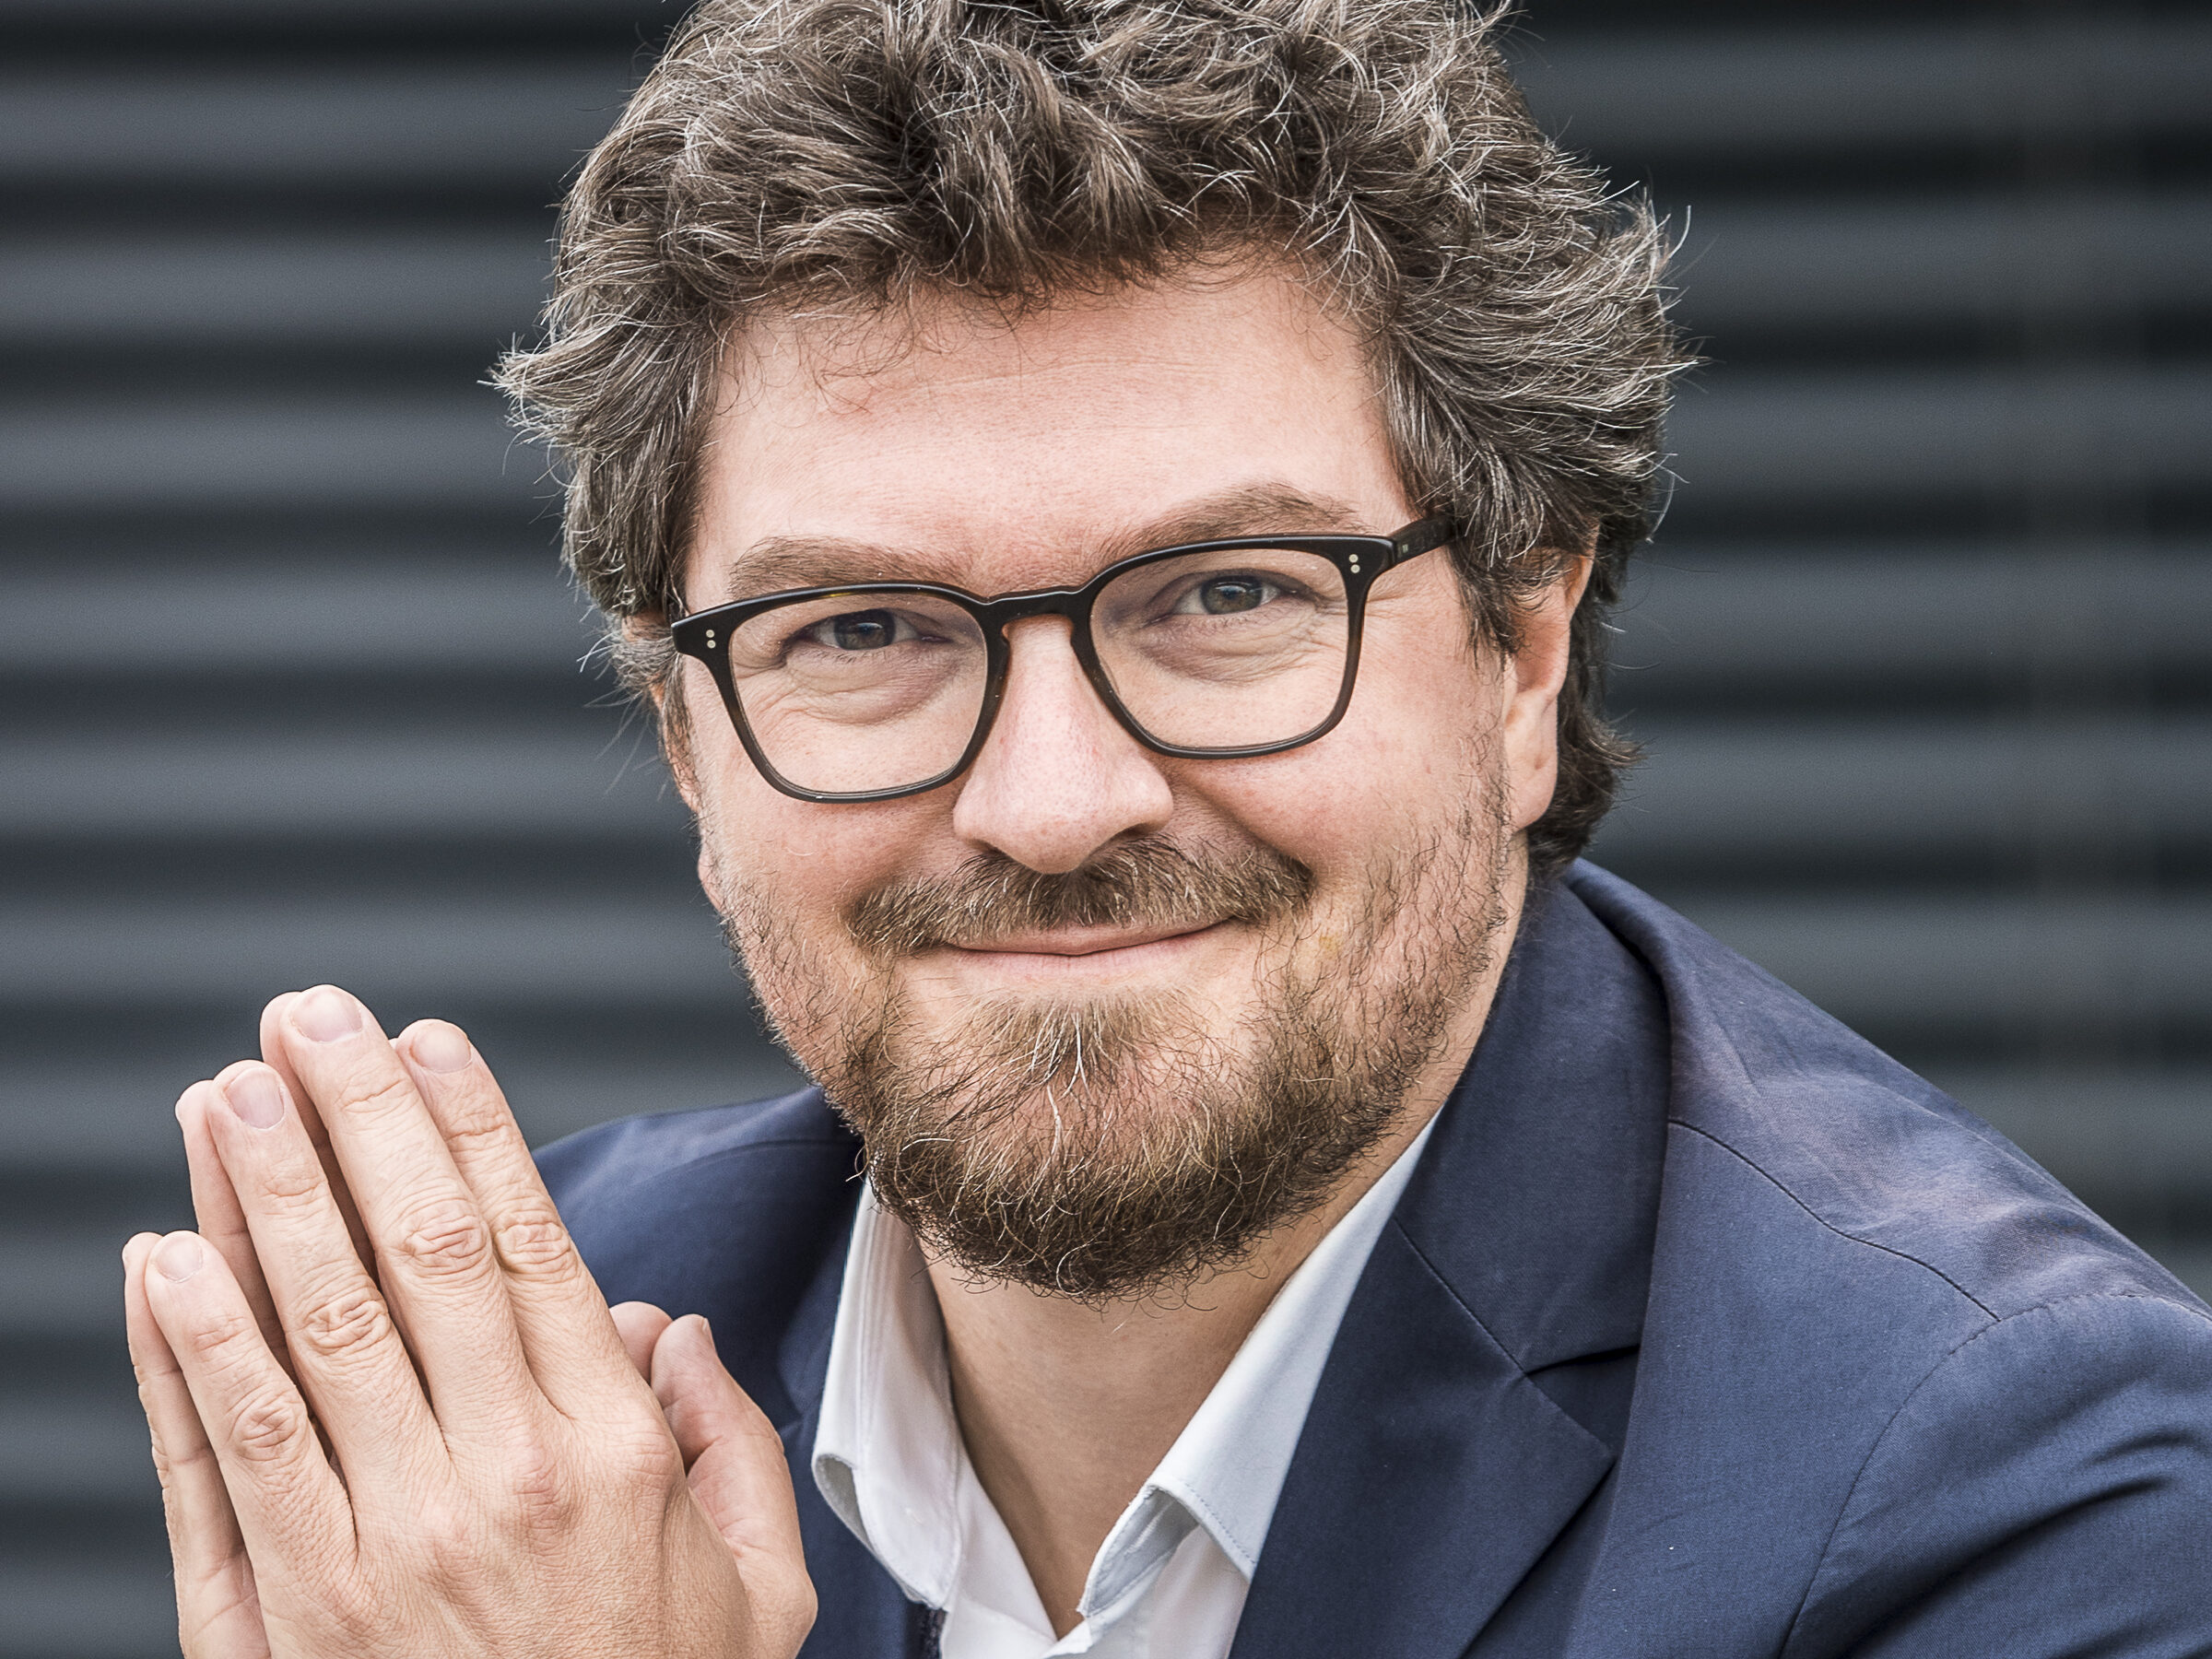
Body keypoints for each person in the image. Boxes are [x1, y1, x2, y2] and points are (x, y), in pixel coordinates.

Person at [122, 1, 2212, 1654]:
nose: (1049, 805)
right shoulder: (527, 1421)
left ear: (1521, 650)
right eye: (862, 629)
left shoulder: (2021, 1497)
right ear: (689, 742)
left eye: (1225, 598)